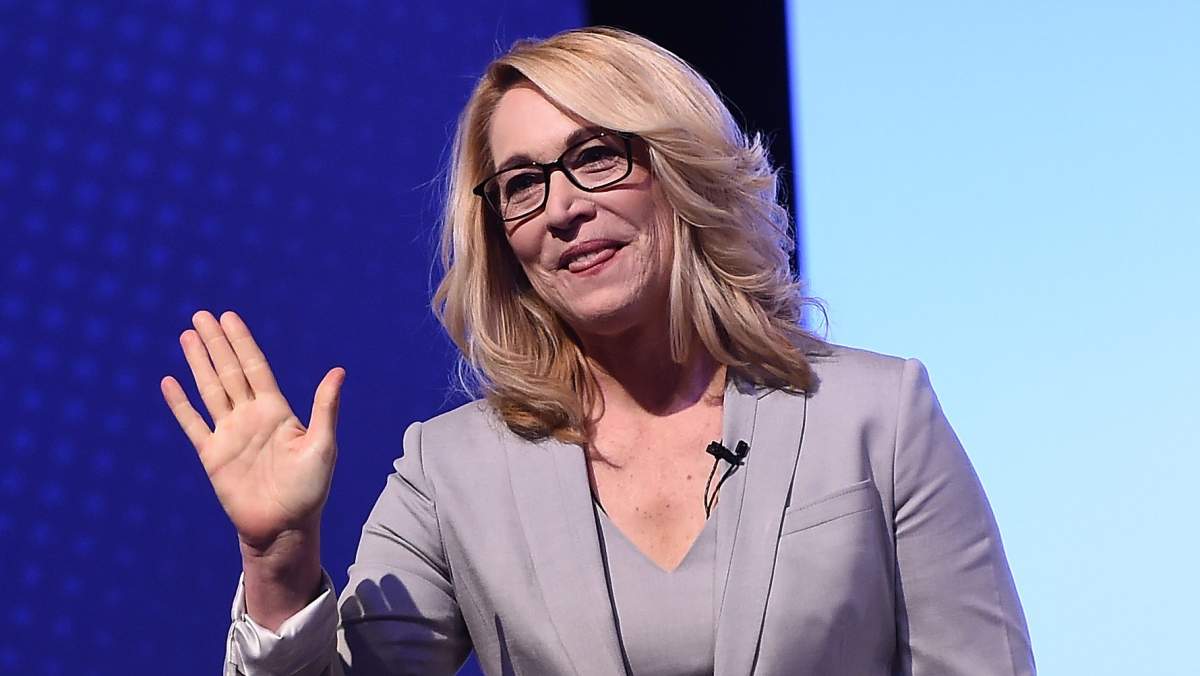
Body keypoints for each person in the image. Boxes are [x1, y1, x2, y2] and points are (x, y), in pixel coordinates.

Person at [161, 26, 1035, 676]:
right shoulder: (450, 471)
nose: (562, 207)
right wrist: (277, 558)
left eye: (595, 157)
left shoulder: (877, 417)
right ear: (504, 236)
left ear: (680, 170)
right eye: (523, 184)